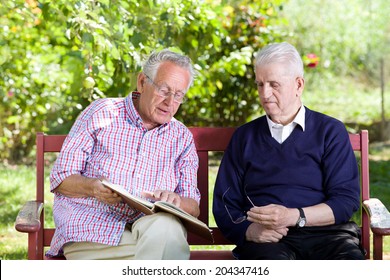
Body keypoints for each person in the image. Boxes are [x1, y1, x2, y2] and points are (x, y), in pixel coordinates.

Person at [212, 42, 365, 260]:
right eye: (260, 84)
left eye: (274, 84)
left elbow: (345, 201)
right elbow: (225, 203)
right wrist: (249, 231)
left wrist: (293, 216)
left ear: (299, 85)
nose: (265, 94)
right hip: (269, 240)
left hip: (329, 236)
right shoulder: (244, 137)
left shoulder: (329, 131)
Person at [46, 49, 200, 260]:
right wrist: (93, 187)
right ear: (142, 82)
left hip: (151, 230)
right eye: (164, 90)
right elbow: (61, 177)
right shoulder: (102, 113)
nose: (170, 102)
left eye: (179, 95)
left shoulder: (181, 137)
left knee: (166, 229)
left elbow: (193, 206)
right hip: (93, 232)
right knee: (166, 251)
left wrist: (177, 201)